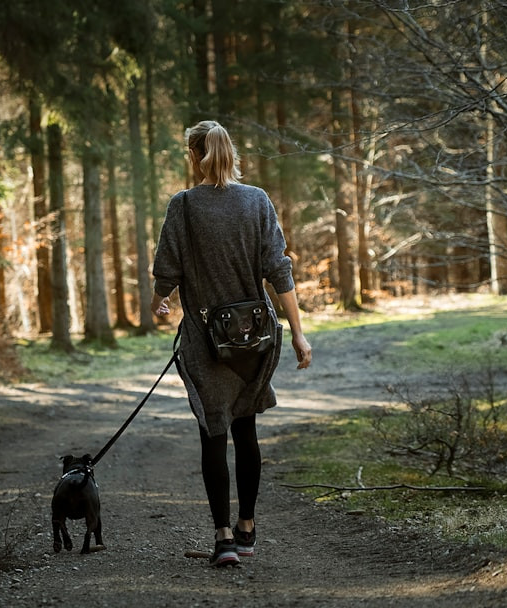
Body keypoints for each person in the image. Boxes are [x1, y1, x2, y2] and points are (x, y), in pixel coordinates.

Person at [150, 120, 313, 567]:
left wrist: (159, 303)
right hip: (256, 337)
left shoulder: (183, 206)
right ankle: (246, 528)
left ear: (193, 155)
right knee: (246, 430)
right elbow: (279, 270)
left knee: (212, 433)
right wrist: (297, 331)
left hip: (206, 339)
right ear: (229, 153)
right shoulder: (257, 201)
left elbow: (167, 270)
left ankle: (222, 537)